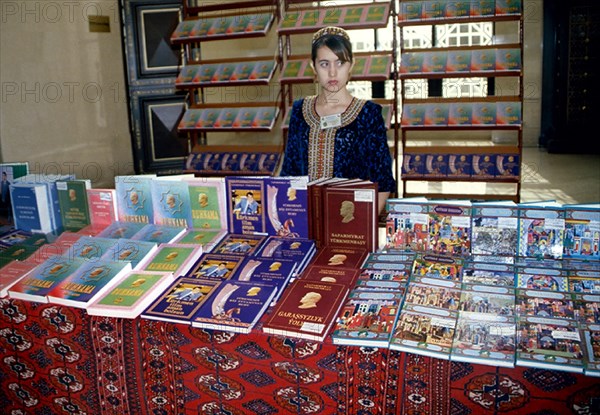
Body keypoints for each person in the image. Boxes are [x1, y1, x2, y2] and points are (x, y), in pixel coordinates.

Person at [280, 26, 396, 213]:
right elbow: (288, 173)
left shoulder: (368, 113)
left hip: (349, 222)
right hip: (305, 219)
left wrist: (363, 227)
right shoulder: (300, 111)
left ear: (351, 64)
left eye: (340, 63)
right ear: (313, 66)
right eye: (324, 64)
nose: (332, 73)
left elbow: (382, 181)